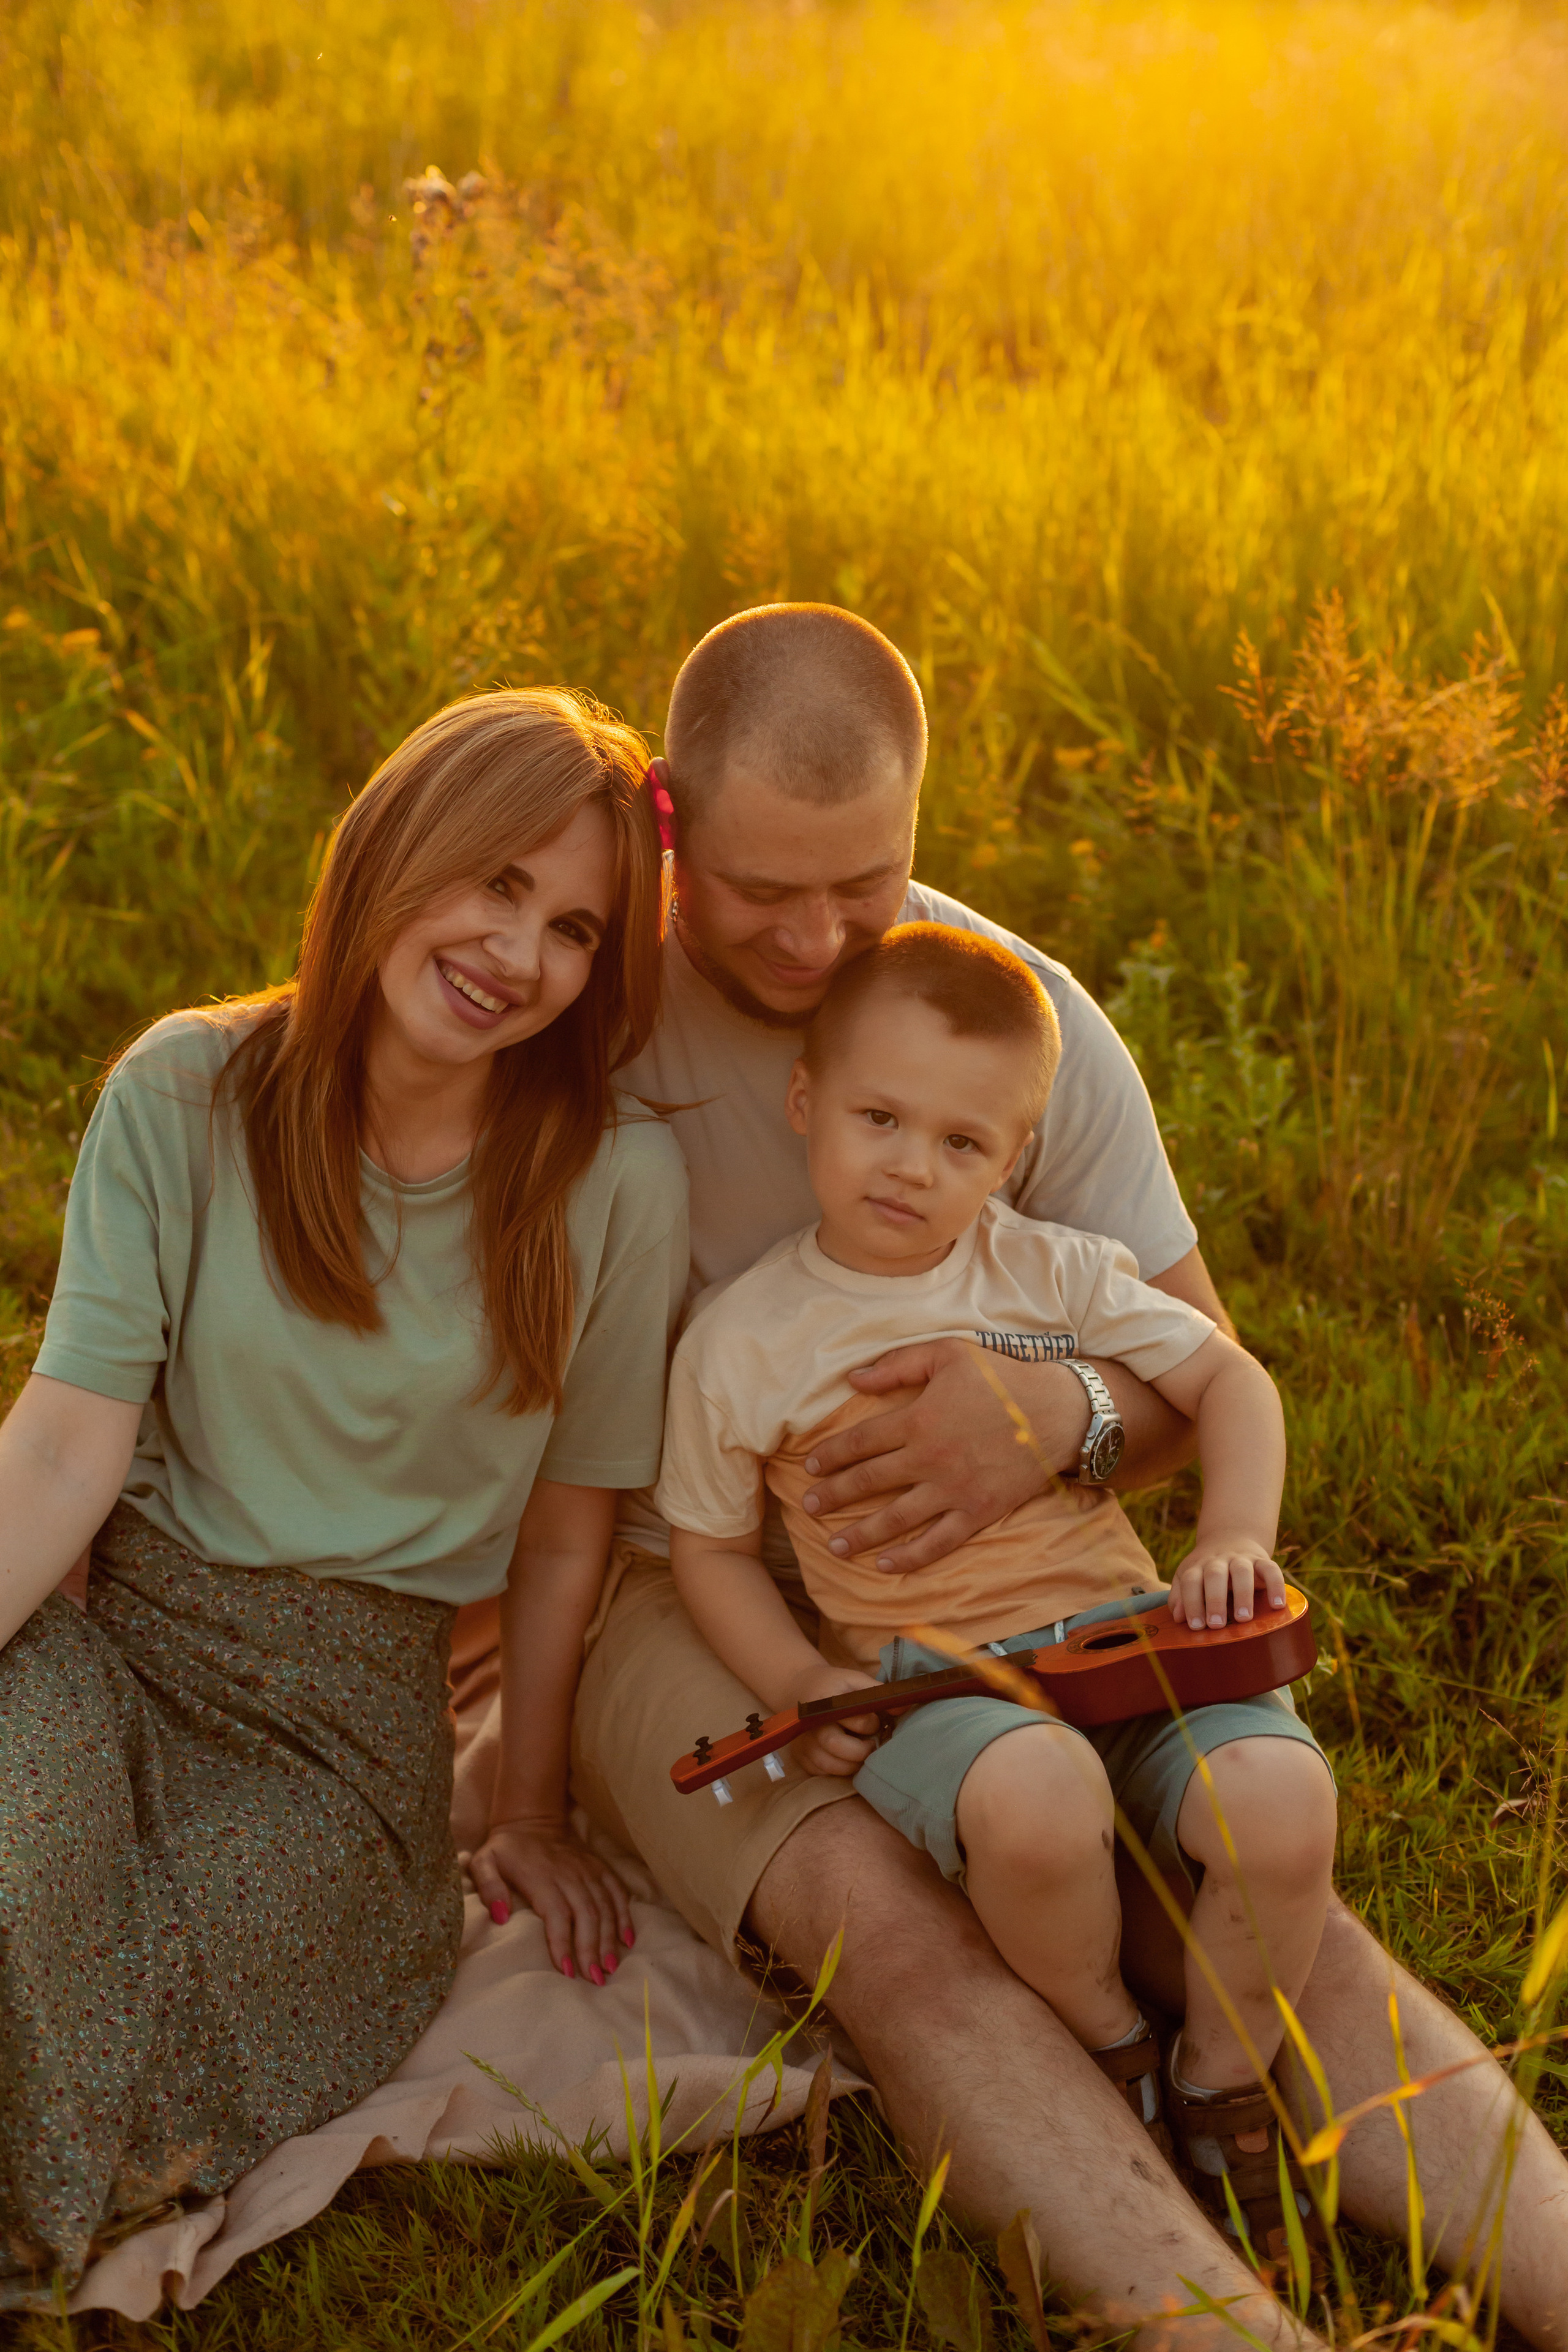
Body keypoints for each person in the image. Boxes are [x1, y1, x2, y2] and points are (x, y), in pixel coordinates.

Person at [447, 606, 1568, 2350]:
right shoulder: (565, 1005)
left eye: (869, 880)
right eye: (764, 890)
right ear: (666, 817)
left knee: (1256, 1893)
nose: (822, 936)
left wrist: (1065, 1422)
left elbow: (1192, 1364)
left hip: (1010, 1569)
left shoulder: (1000, 1010)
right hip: (686, 1568)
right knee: (889, 1921)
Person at [0, 689, 688, 2308]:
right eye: (497, 884)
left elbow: (569, 1529)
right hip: (113, 1627)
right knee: (18, 1853)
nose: (521, 953)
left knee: (179, 1954)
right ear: (396, 846)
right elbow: (61, 1447)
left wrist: (521, 1808)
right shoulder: (185, 1090)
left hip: (336, 1737)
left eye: (576, 928)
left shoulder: (612, 1182)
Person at [657, 922, 1338, 2270]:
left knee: (1281, 1806)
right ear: (806, 1105)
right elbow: (709, 1551)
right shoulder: (744, 1338)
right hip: (942, 1681)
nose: (912, 1165)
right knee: (1037, 1808)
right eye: (878, 1118)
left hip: (1134, 1640)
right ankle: (1106, 2039)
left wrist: (1232, 1535)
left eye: (961, 1144)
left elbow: (1230, 1383)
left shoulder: (1050, 1275)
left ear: (1011, 1158)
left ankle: (1219, 2076)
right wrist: (797, 1679)